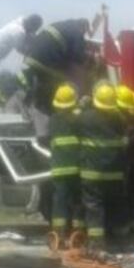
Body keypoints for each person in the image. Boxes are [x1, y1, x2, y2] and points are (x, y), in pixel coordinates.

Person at [76, 83, 127, 254]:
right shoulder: (119, 119)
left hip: (93, 173)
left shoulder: (86, 118)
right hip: (114, 173)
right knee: (114, 205)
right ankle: (118, 241)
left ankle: (97, 245)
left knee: (94, 206)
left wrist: (83, 106)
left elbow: (74, 123)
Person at [20, 18, 92, 114]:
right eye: (85, 32)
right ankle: (51, 110)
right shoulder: (77, 32)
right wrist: (88, 58)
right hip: (46, 60)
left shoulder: (61, 24)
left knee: (39, 82)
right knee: (60, 82)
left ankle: (30, 105)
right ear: (83, 27)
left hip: (31, 56)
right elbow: (77, 57)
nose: (84, 35)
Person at [0, 14, 43, 111]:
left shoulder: (19, 22)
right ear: (31, 25)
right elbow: (19, 48)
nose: (32, 32)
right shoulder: (19, 31)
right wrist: (31, 54)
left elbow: (27, 35)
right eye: (33, 29)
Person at [49, 83, 84, 245]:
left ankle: (59, 233)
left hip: (59, 168)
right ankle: (77, 233)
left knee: (60, 200)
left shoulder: (53, 120)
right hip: (76, 167)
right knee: (77, 200)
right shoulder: (78, 119)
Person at [116, 84, 134, 234]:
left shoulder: (127, 121)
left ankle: (129, 223)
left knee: (127, 193)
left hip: (128, 162)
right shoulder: (133, 115)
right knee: (133, 193)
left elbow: (126, 143)